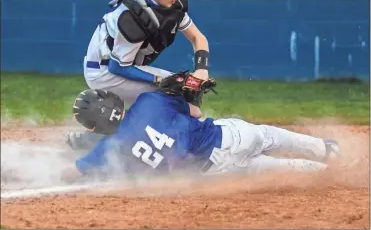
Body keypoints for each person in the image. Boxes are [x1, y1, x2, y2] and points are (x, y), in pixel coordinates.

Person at [63, 72, 340, 183]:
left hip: (215, 169)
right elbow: (195, 112)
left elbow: (74, 172)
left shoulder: (110, 151)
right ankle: (325, 149)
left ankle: (324, 174)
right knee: (269, 136)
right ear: (114, 100)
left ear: (94, 127)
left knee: (268, 167)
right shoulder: (149, 101)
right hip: (227, 137)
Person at [67, 0, 211, 149]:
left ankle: (115, 138)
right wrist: (161, 82)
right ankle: (101, 142)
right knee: (178, 95)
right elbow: (118, 67)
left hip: (122, 66)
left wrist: (202, 69)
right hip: (104, 72)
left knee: (185, 94)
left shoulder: (170, 5)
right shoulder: (131, 17)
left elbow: (198, 38)